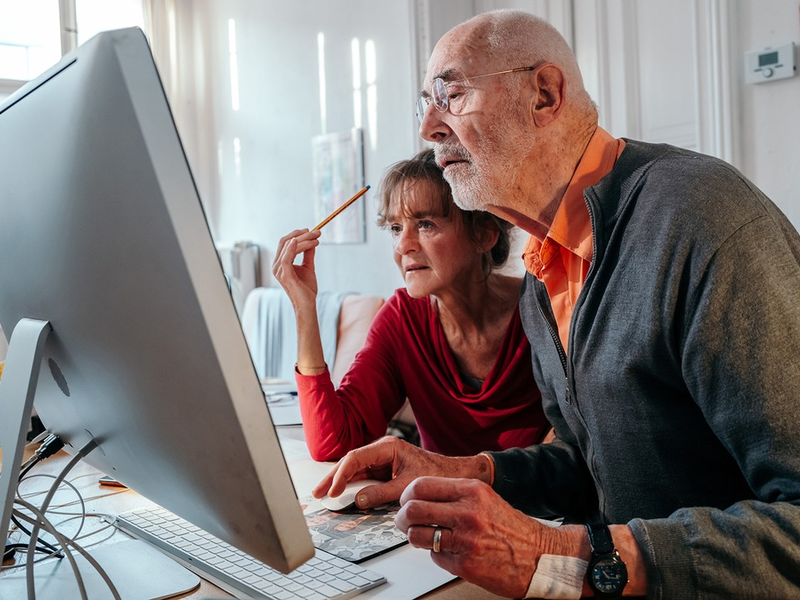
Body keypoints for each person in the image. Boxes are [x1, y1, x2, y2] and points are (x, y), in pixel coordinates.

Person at [313, 9, 800, 599]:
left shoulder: (701, 217)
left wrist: (560, 552)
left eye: (451, 93)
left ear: (544, 94)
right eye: (425, 102)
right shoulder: (545, 274)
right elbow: (591, 467)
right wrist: (462, 470)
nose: (429, 129)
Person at [272, 148, 550, 461]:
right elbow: (332, 443)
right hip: (439, 507)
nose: (403, 246)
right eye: (395, 228)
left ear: (485, 235)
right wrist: (304, 307)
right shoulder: (401, 318)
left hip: (540, 509)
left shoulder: (545, 308)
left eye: (426, 224)